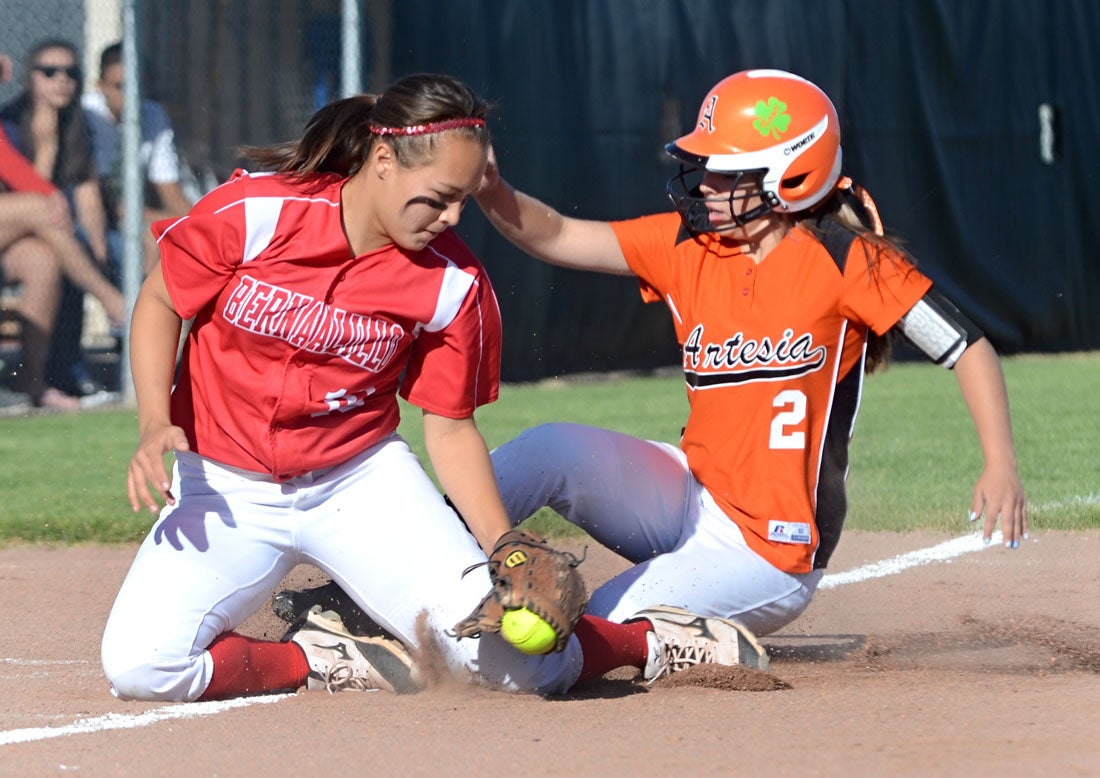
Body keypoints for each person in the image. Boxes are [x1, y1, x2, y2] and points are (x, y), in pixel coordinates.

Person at [103, 72, 762, 703]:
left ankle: (648, 643)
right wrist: (154, 422)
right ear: (383, 158)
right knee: (142, 666)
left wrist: (504, 544)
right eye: (438, 195)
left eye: (464, 199)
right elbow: (162, 302)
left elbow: (448, 429)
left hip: (356, 486)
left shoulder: (452, 284)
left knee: (517, 668)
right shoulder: (256, 214)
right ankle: (323, 659)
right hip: (226, 488)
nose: (450, 217)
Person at [468, 68, 1029, 638]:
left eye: (725, 171)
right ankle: (417, 559)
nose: (704, 182)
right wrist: (492, 189)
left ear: (790, 176)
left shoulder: (847, 260)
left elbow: (967, 346)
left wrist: (1000, 462)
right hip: (691, 496)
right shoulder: (689, 244)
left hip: (772, 553)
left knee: (590, 618)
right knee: (552, 448)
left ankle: (681, 649)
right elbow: (558, 234)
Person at [0, 51, 125, 409]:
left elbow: (87, 195)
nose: (61, 79)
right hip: (34, 218)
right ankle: (115, 303)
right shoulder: (13, 118)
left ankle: (33, 384)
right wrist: (49, 188)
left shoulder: (77, 123)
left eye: (70, 71)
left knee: (45, 261)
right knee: (43, 210)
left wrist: (99, 249)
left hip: (38, 234)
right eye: (50, 71)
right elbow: (17, 176)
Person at [82, 41, 194, 277]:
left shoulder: (153, 115)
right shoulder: (87, 114)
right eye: (120, 86)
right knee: (153, 235)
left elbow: (169, 190)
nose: (130, 94)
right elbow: (98, 195)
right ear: (100, 86)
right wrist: (150, 215)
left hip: (134, 214)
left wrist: (201, 223)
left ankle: (141, 307)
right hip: (91, 214)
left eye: (136, 85)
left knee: (164, 235)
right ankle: (135, 306)